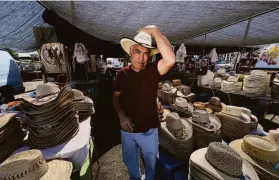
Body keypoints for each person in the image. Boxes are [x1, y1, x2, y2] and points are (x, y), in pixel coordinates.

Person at [113, 25, 175, 180]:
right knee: (130, 163)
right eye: (137, 51)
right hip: (127, 131)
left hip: (148, 130)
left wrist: (156, 31)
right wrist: (121, 115)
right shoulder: (123, 74)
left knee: (151, 165)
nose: (142, 57)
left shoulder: (153, 71)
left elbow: (170, 59)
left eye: (146, 53)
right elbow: (116, 97)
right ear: (130, 52)